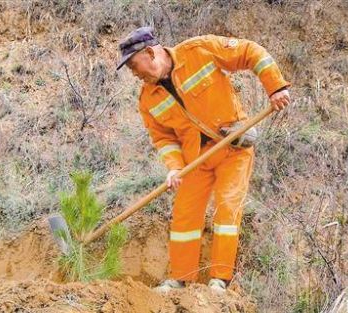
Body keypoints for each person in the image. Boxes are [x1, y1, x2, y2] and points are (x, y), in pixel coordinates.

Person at [116, 27, 291, 293]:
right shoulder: (147, 99)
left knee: (226, 208)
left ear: (150, 52)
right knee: (184, 216)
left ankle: (219, 279)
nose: (134, 73)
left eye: (133, 65)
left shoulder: (199, 50)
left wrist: (275, 86)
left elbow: (251, 52)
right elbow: (163, 139)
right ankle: (180, 279)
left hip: (233, 147)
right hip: (194, 160)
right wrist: (175, 167)